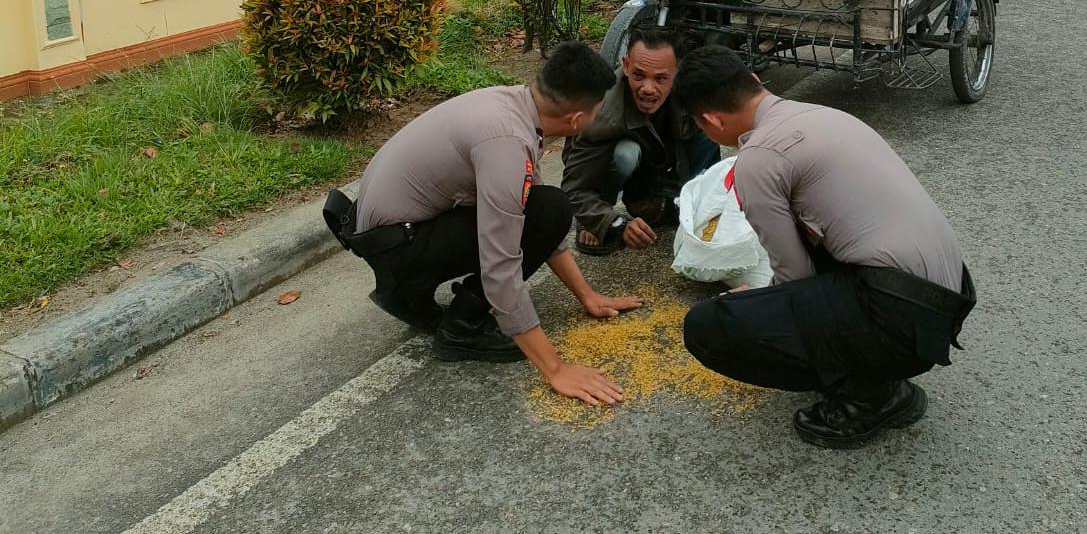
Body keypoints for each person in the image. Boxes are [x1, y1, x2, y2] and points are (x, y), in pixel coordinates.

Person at [671, 46, 976, 448]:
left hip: (900, 317)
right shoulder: (824, 115)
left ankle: (869, 396)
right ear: (757, 83)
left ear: (710, 120)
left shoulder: (758, 160)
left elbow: (794, 281)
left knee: (708, 327)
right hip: (947, 298)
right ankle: (873, 368)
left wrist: (757, 306)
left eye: (700, 126)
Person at [323, 42, 643, 406]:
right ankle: (462, 327)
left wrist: (587, 295)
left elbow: (537, 213)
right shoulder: (505, 141)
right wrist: (556, 370)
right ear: (575, 120)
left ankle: (408, 292)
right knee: (549, 209)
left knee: (548, 206)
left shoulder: (515, 105)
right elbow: (501, 264)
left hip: (392, 233)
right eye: (597, 112)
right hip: (398, 246)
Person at [561, 28, 721, 256]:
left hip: (659, 156)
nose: (647, 88)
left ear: (677, 72)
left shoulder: (693, 89)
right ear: (625, 65)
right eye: (638, 75)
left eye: (661, 78)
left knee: (709, 125)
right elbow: (574, 188)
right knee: (626, 154)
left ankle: (674, 199)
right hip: (610, 157)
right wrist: (611, 223)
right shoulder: (600, 115)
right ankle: (597, 215)